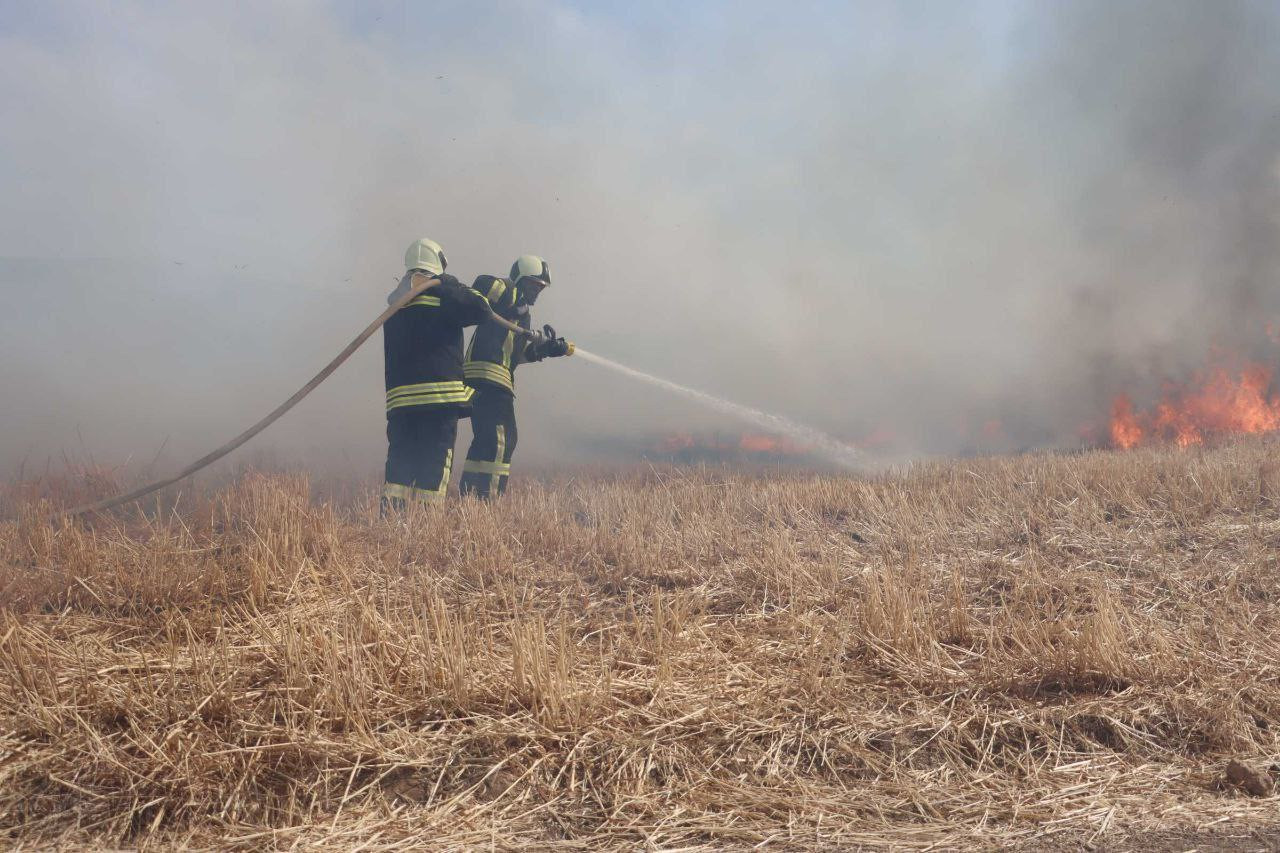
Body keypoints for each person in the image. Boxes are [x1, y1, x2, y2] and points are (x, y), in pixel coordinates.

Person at [381, 237, 492, 511]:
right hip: (437, 400)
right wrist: (450, 284)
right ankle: (427, 523)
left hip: (402, 404)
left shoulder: (396, 307)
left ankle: (393, 523)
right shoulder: (443, 299)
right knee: (434, 462)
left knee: (400, 465)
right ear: (438, 267)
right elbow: (481, 308)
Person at [459, 254, 571, 498]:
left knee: (488, 439)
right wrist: (513, 304)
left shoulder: (523, 315)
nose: (537, 292)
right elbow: (482, 284)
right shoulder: (509, 291)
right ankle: (487, 499)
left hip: (495, 379)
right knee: (503, 439)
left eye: (541, 288)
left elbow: (515, 355)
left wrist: (546, 349)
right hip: (489, 378)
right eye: (534, 285)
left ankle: (470, 497)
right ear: (520, 279)